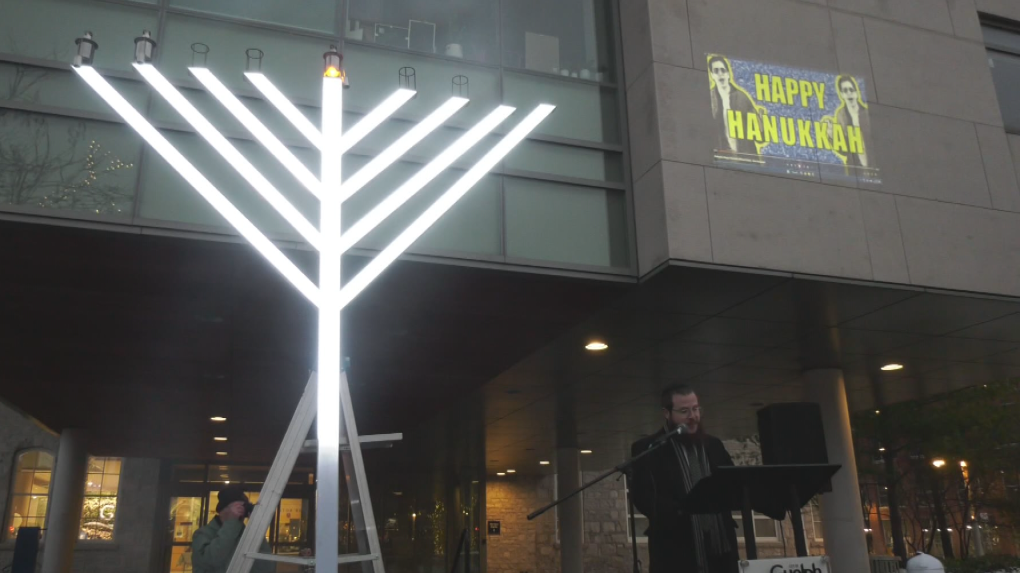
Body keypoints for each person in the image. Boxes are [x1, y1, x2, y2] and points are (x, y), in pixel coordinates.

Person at [630, 385, 739, 573]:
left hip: (720, 549)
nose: (693, 416)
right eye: (684, 411)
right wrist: (683, 509)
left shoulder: (714, 445)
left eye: (696, 409)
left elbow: (732, 483)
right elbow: (643, 496)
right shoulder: (649, 448)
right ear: (666, 413)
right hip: (675, 549)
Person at [192, 485, 275, 573]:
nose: (241, 511)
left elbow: (267, 567)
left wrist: (255, 527)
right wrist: (231, 522)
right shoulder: (203, 534)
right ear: (223, 510)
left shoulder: (246, 535)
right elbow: (211, 561)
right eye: (238, 507)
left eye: (244, 507)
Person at [708, 55, 761, 156]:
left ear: (728, 74)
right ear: (712, 75)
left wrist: (761, 123)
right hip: (723, 158)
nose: (720, 74)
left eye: (722, 70)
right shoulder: (710, 98)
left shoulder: (742, 98)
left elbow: (760, 135)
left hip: (746, 158)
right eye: (716, 71)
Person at [832, 75, 874, 169]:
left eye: (851, 89)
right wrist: (831, 138)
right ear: (842, 94)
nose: (849, 93)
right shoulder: (841, 116)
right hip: (855, 168)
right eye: (845, 90)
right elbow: (842, 148)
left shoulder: (867, 114)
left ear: (856, 92)